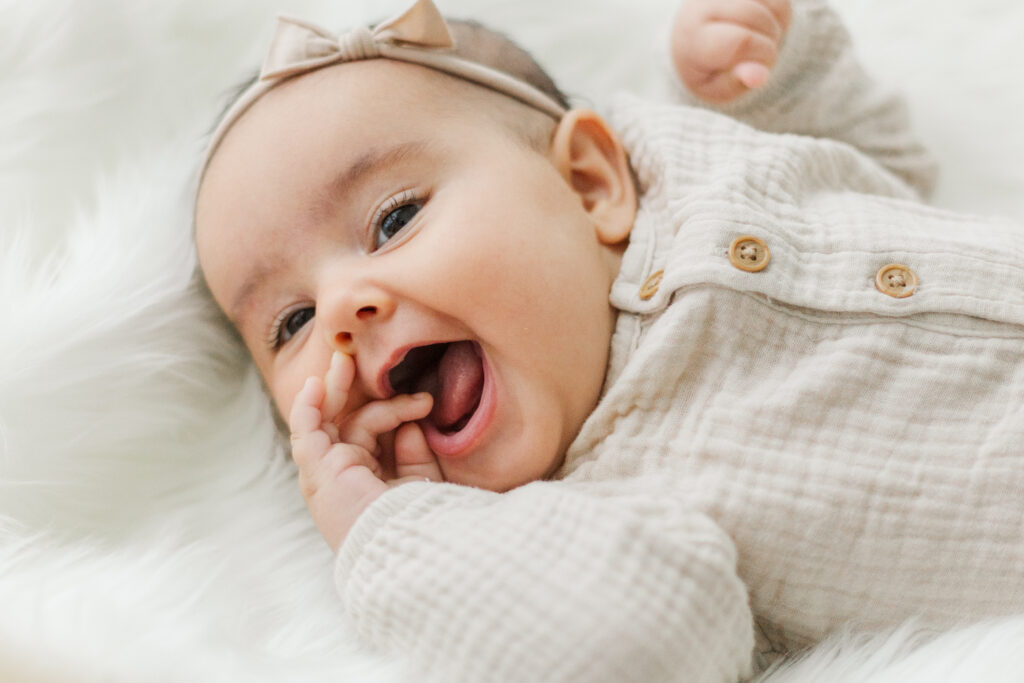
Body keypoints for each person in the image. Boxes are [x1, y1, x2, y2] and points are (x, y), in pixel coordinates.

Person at [193, 0, 1024, 680]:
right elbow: (642, 649)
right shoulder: (588, 526)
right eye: (292, 322)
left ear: (590, 183)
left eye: (394, 218)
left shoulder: (696, 154)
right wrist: (392, 530)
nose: (340, 309)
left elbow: (889, 172)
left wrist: (774, 77)